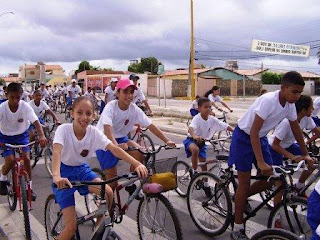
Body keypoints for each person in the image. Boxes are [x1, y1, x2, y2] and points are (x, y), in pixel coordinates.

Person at [228, 71, 313, 240]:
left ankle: (241, 198)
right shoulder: (269, 101)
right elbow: (253, 131)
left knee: (271, 180)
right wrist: (260, 161)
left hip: (260, 138)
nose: (297, 96)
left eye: (299, 93)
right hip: (244, 137)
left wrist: (306, 155)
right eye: (294, 92)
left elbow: (296, 129)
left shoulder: (289, 105)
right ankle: (237, 228)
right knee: (244, 183)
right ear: (283, 88)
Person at [52, 96, 148, 240]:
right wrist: (56, 176)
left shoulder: (94, 133)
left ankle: (98, 229)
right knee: (71, 228)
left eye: (89, 113)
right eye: (79, 112)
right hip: (63, 173)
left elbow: (115, 149)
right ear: (72, 113)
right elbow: (57, 151)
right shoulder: (64, 130)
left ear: (94, 115)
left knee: (108, 193)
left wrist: (137, 163)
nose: (84, 117)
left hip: (82, 170)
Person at [96, 78, 175, 190]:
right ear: (118, 93)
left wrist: (167, 140)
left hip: (121, 139)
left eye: (131, 92)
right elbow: (107, 129)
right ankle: (109, 206)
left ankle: (131, 184)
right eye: (125, 92)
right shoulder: (111, 107)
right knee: (112, 185)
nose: (129, 95)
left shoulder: (134, 109)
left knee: (141, 152)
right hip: (104, 141)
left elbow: (151, 125)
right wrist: (116, 146)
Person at [268, 95, 318, 227]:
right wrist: (292, 156)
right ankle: (276, 216)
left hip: (290, 144)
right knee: (280, 184)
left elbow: (318, 132)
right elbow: (275, 145)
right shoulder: (286, 122)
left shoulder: (306, 118)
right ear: (303, 109)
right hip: (274, 148)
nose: (313, 109)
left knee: (311, 162)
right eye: (311, 107)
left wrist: (306, 143)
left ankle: (299, 187)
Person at [0, 83, 47, 200]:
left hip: (22, 135)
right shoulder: (2, 108)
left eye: (18, 97)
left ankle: (29, 187)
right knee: (10, 161)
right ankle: (3, 178)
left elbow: (35, 121)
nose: (15, 101)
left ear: (22, 95)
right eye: (12, 97)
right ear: (6, 95)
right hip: (5, 136)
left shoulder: (25, 106)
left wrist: (41, 135)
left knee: (26, 159)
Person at [183, 97, 233, 184]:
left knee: (204, 165)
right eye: (205, 107)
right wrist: (194, 136)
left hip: (201, 142)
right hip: (191, 140)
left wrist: (235, 132)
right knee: (195, 150)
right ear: (199, 108)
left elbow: (224, 125)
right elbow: (190, 128)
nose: (208, 109)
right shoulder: (197, 118)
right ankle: (194, 172)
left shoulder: (212, 119)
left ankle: (206, 184)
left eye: (210, 107)